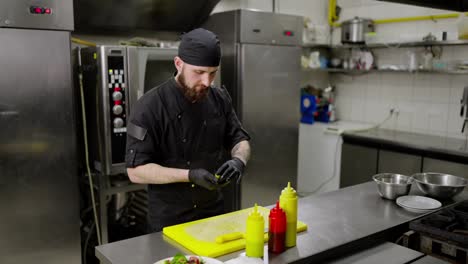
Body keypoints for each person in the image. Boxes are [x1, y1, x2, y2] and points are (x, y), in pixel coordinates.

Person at [125, 28, 251, 232]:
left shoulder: (219, 99)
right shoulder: (149, 106)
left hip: (214, 216)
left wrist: (239, 160)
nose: (206, 82)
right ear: (178, 64)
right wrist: (189, 175)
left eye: (212, 73)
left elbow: (240, 139)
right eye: (199, 72)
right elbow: (136, 171)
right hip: (169, 222)